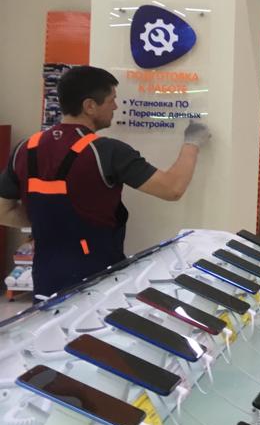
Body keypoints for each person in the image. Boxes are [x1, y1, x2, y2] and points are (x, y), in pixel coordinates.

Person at [0, 66, 211, 298]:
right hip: (98, 281)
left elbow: (3, 211)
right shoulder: (106, 151)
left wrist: (49, 222)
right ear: (90, 106)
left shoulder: (25, 148)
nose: (116, 107)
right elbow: (172, 188)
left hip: (45, 280)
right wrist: (192, 143)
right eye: (112, 100)